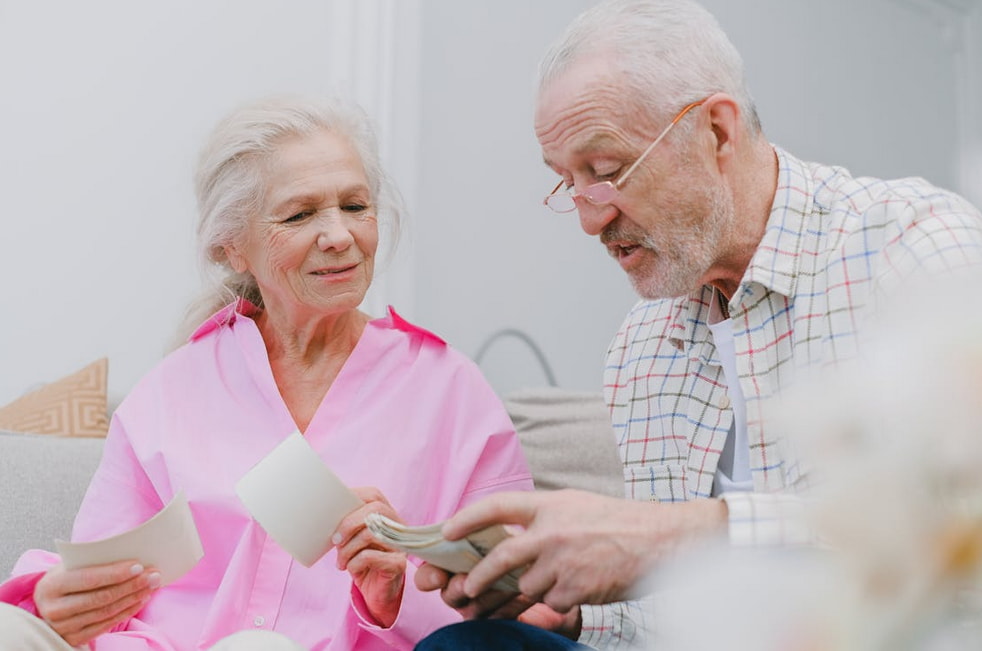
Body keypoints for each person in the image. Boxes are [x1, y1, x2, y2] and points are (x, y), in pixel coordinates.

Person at [413, 0, 982, 649]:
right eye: (568, 182)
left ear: (716, 130)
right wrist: (571, 605)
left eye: (605, 171)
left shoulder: (911, 246)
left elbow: (961, 526)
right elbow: (660, 616)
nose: (588, 219)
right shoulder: (643, 343)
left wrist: (681, 534)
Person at [0, 96, 533, 650]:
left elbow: (517, 601)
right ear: (233, 249)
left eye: (355, 206)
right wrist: (52, 600)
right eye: (300, 215)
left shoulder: (451, 391)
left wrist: (392, 591)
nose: (340, 236)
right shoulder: (171, 390)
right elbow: (102, 575)